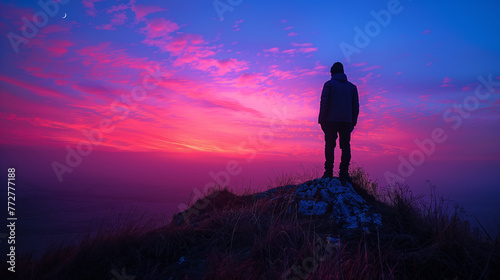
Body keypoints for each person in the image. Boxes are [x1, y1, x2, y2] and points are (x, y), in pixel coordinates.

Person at [318, 62, 359, 182]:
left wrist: (321, 120)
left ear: (332, 73)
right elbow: (355, 106)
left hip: (331, 120)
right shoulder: (352, 87)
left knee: (330, 146)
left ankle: (328, 172)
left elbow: (324, 103)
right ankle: (344, 173)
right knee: (345, 146)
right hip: (347, 121)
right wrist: (353, 122)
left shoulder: (329, 84)